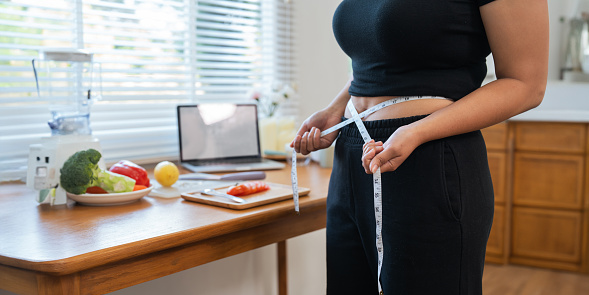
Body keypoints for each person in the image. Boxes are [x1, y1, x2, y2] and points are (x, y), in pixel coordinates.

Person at [290, 0, 548, 294]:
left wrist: (417, 131)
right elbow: (378, 60)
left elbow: (527, 84)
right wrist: (335, 109)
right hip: (351, 153)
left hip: (428, 160)